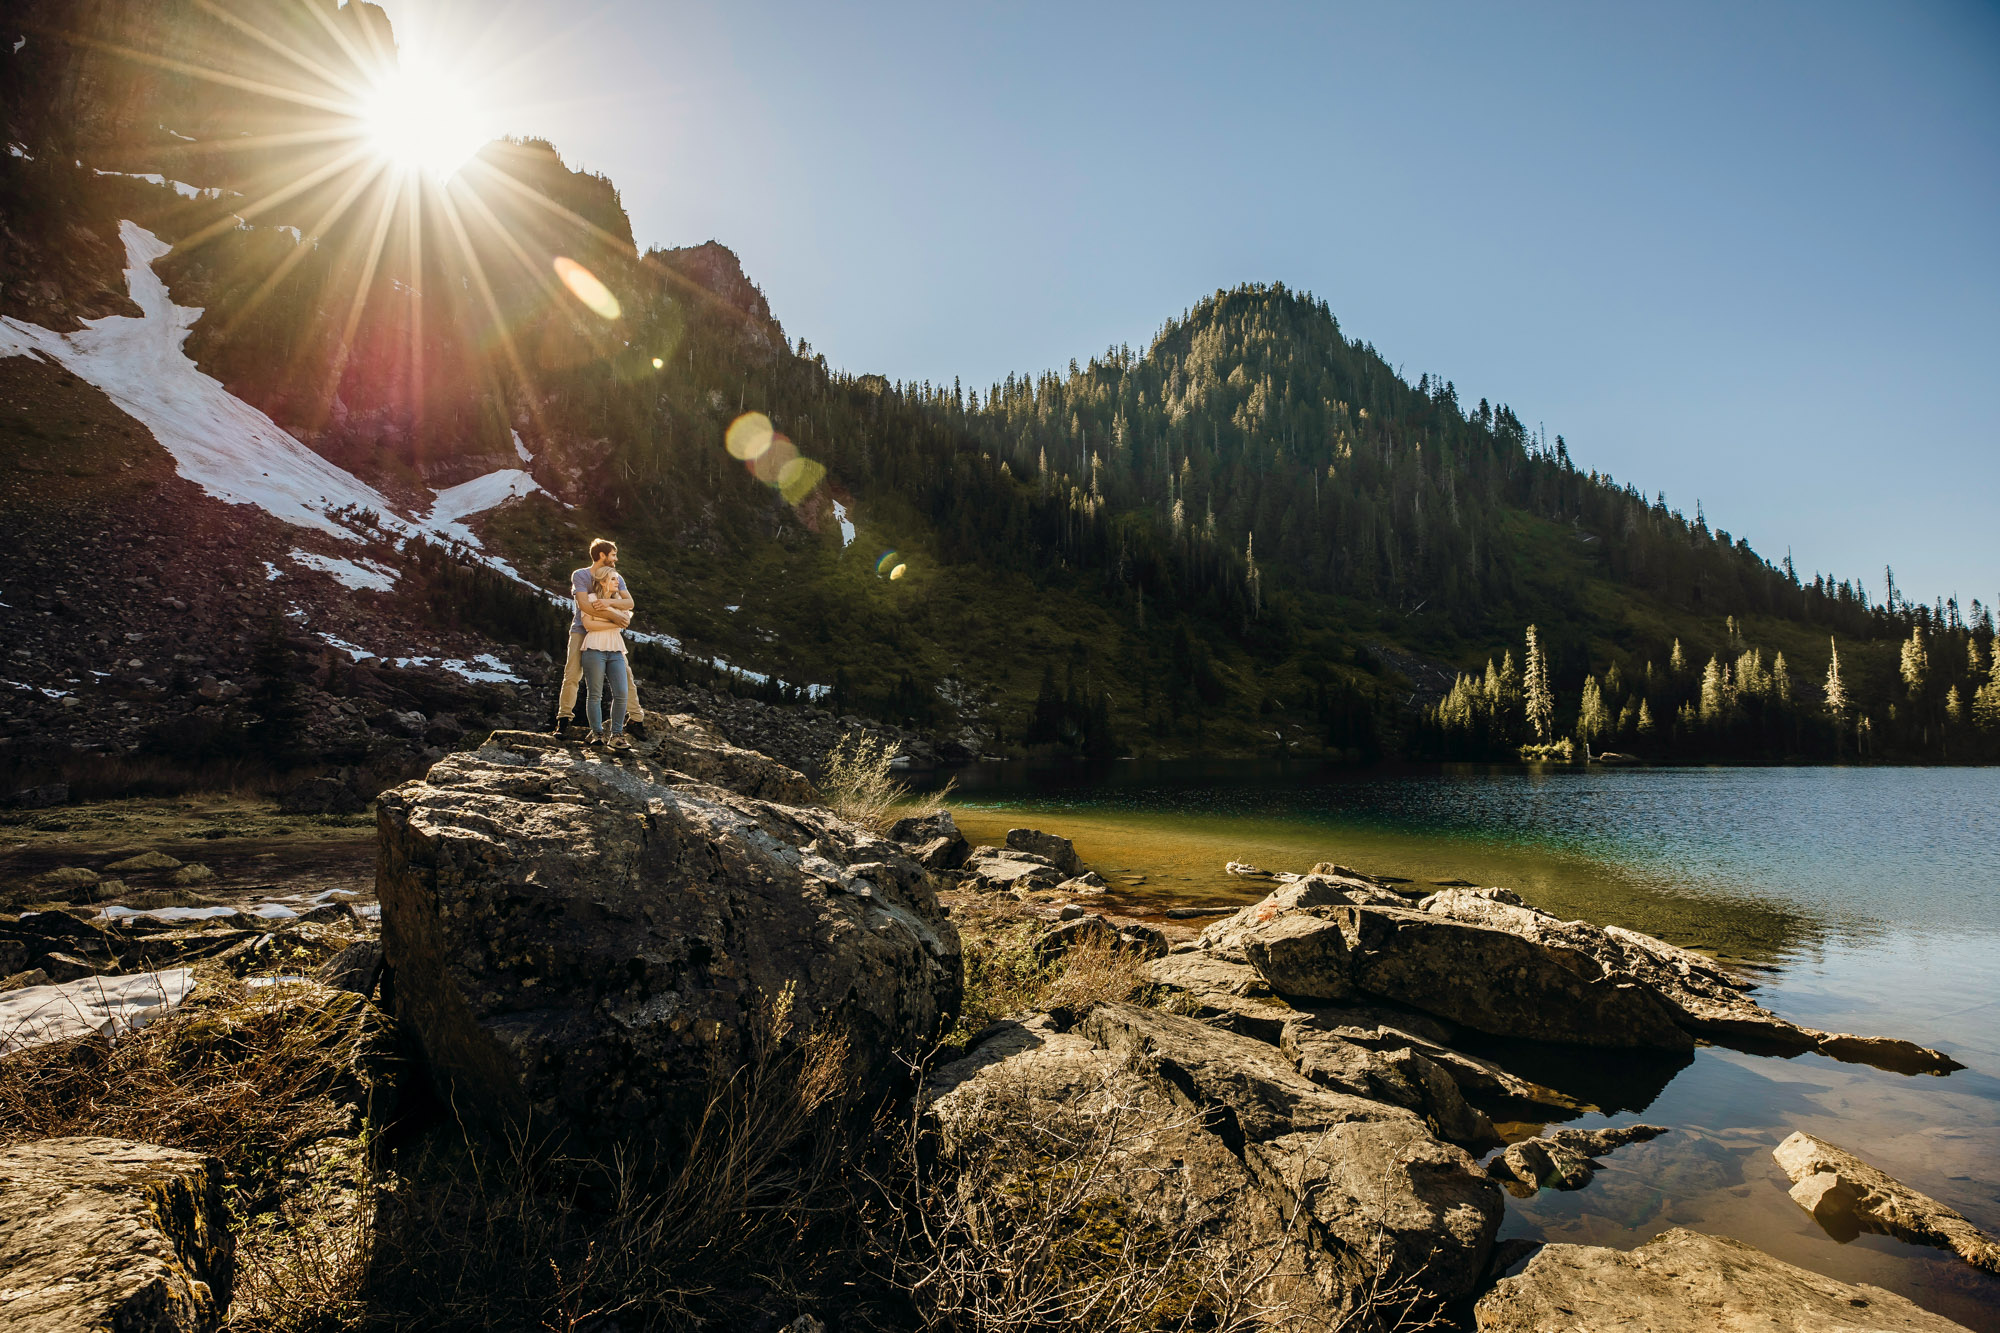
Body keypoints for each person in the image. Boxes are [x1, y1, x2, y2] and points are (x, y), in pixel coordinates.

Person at [553, 538, 648, 739]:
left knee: (627, 675)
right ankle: (564, 720)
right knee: (572, 674)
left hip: (607, 635)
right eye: (613, 554)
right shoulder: (580, 575)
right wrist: (614, 616)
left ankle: (636, 719)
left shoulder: (616, 577)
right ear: (602, 555)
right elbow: (584, 606)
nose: (616, 558)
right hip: (582, 630)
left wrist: (605, 603)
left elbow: (629, 602)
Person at [577, 565, 633, 749]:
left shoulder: (618, 601)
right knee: (595, 694)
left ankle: (616, 735)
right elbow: (589, 625)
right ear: (602, 582)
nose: (618, 582)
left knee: (622, 693)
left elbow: (626, 622)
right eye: (613, 579)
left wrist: (610, 611)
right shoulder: (590, 599)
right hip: (594, 648)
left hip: (615, 649)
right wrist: (615, 622)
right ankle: (597, 733)